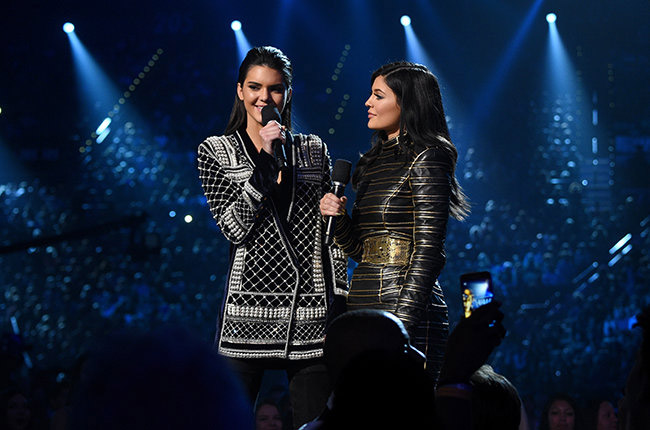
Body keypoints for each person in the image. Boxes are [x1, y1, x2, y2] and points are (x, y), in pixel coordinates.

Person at [197, 46, 348, 428]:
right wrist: (264, 158)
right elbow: (235, 227)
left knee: (318, 423)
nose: (264, 98)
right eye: (254, 87)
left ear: (288, 94)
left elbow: (326, 236)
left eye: (275, 89)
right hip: (248, 314)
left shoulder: (313, 150)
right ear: (239, 91)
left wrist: (340, 298)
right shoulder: (214, 151)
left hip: (310, 316)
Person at [320, 61, 469, 381]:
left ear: (407, 102)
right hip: (362, 304)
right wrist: (339, 218)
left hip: (406, 308)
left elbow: (429, 251)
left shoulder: (429, 155)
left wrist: (401, 323)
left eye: (378, 95)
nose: (367, 103)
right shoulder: (371, 163)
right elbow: (360, 249)